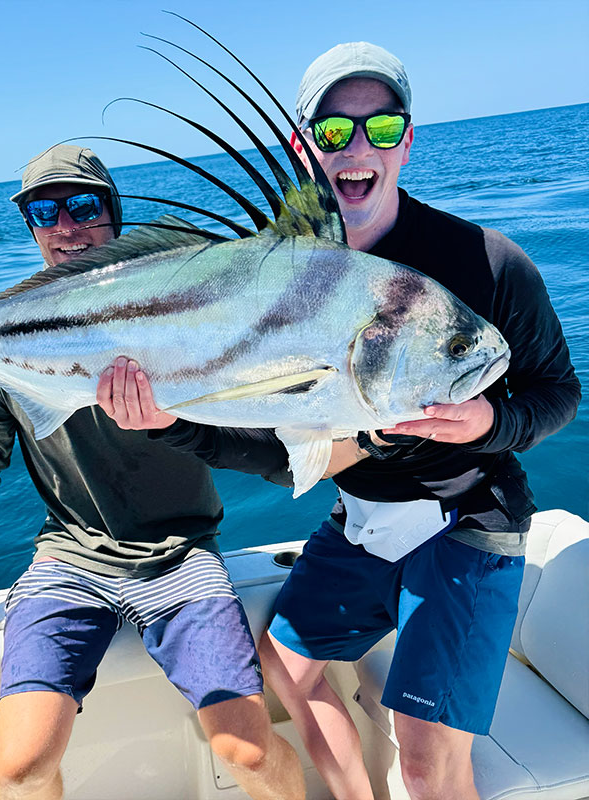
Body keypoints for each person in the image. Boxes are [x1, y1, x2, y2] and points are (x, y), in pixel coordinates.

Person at [98, 43, 581, 800]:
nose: (357, 147)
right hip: (360, 514)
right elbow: (261, 440)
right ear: (303, 145)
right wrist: (162, 423)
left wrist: (491, 421)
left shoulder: (488, 262)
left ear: (407, 140)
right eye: (333, 131)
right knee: (288, 669)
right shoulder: (259, 273)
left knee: (424, 760)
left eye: (381, 129)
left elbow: (557, 392)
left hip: (468, 519)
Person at [0, 144, 305, 800]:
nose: (66, 226)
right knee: (21, 770)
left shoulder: (185, 305)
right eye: (45, 213)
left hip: (182, 553)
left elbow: (253, 425)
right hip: (69, 560)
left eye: (83, 206)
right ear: (32, 229)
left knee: (247, 753)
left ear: (113, 215)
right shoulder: (2, 334)